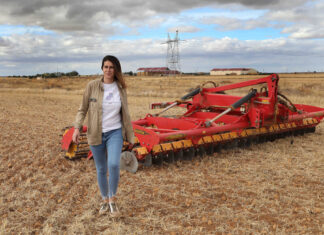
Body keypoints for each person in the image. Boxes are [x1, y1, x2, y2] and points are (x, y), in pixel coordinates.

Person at [72, 55, 135, 216]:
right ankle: (105, 200)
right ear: (102, 68)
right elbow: (82, 109)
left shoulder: (120, 88)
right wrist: (77, 128)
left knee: (113, 164)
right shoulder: (92, 86)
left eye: (111, 67)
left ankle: (113, 199)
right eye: (106, 67)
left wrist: (130, 136)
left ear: (116, 70)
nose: (108, 70)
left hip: (115, 132)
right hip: (95, 133)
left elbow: (126, 113)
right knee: (101, 168)